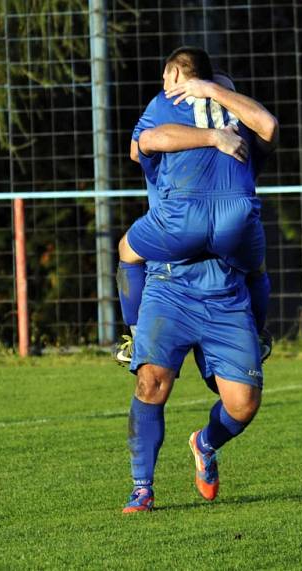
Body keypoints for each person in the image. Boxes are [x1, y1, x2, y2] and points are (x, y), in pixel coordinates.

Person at [121, 48, 279, 513]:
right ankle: (142, 487)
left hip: (225, 287)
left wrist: (216, 92)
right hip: (170, 283)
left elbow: (269, 126)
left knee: (243, 403)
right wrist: (211, 136)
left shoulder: (240, 116)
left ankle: (205, 444)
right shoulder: (165, 110)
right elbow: (143, 143)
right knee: (152, 382)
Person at [115, 46, 277, 362]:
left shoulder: (165, 103)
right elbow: (268, 126)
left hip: (180, 223)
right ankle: (257, 334)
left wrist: (210, 135)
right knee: (257, 269)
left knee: (126, 251)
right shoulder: (244, 120)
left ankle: (134, 336)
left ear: (175, 75)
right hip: (237, 222)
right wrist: (218, 119)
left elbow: (140, 147)